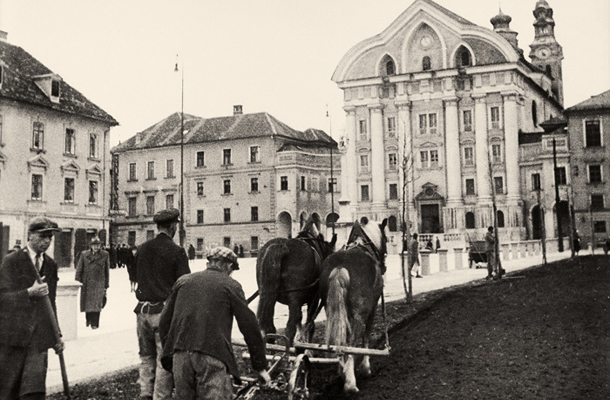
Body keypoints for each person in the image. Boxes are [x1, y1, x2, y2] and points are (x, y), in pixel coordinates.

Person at [159, 247, 270, 399]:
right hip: (212, 354)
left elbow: (164, 322)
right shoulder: (231, 285)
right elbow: (250, 327)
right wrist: (260, 366)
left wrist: (169, 354)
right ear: (229, 266)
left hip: (180, 354)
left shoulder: (183, 281)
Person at [0, 217, 64, 399]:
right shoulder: (11, 261)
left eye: (50, 237)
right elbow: (2, 299)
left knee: (34, 393)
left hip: (39, 340)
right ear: (30, 235)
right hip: (13, 339)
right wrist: (29, 292)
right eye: (43, 236)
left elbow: (51, 303)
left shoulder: (51, 265)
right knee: (8, 391)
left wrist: (56, 336)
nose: (47, 241)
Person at [134, 208, 191, 400]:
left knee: (145, 357)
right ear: (174, 226)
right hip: (163, 315)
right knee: (163, 360)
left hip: (141, 313)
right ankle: (160, 397)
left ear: (157, 226)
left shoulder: (141, 249)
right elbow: (184, 285)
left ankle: (145, 394)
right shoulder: (177, 251)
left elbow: (134, 277)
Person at [75, 237, 110, 330]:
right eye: (94, 245)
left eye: (98, 245)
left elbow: (107, 271)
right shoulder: (84, 254)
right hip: (87, 282)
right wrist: (77, 280)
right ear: (90, 246)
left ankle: (95, 323)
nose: (96, 247)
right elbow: (79, 268)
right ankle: (88, 320)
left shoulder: (105, 255)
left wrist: (106, 285)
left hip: (99, 282)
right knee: (87, 303)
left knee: (97, 303)